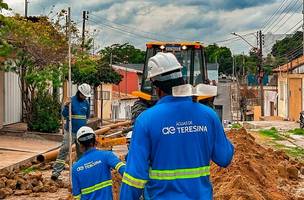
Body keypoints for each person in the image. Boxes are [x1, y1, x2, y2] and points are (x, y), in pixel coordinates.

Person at [120, 52, 234, 200]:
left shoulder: (145, 120)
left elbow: (134, 179)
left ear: (156, 87)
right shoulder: (209, 115)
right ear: (182, 79)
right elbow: (224, 158)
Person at [72, 126, 125, 200]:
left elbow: (76, 196)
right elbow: (124, 170)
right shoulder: (107, 155)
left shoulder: (75, 168)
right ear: (94, 140)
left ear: (80, 144)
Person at [51, 83, 92, 181]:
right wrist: (66, 106)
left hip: (81, 133)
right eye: (83, 95)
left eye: (86, 95)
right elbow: (64, 114)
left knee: (82, 153)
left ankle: (81, 174)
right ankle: (56, 173)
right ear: (79, 92)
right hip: (70, 131)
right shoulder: (71, 101)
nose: (84, 97)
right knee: (64, 149)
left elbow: (87, 116)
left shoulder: (86, 103)